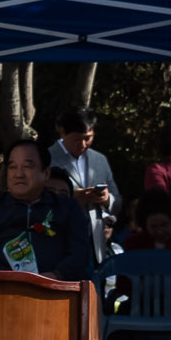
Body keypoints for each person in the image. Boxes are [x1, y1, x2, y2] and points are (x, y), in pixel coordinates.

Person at [0, 139, 91, 279]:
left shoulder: (67, 208)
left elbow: (79, 253)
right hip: (2, 289)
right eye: (12, 167)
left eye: (27, 166)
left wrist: (56, 275)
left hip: (56, 290)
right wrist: (10, 278)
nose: (18, 174)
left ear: (46, 173)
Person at [49, 107, 120, 259]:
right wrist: (72, 198)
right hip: (60, 239)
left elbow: (117, 201)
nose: (82, 144)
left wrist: (106, 199)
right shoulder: (47, 158)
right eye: (76, 139)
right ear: (62, 132)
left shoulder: (99, 160)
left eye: (87, 138)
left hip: (95, 242)